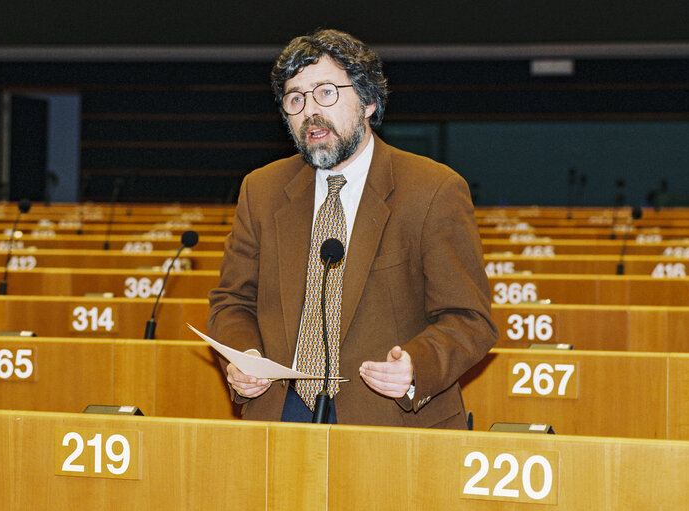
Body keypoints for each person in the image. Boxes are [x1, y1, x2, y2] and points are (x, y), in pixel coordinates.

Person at [207, 28, 497, 428]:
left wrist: (417, 365)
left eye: (325, 93)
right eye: (295, 99)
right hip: (281, 412)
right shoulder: (261, 189)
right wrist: (245, 358)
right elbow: (232, 302)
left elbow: (470, 318)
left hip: (390, 421)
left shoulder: (432, 190)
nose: (309, 111)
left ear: (368, 101)